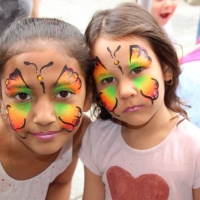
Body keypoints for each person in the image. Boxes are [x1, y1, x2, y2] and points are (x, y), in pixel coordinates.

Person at [79, 2, 200, 200]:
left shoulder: (194, 149)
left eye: (136, 70)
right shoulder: (97, 138)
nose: (125, 91)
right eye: (108, 80)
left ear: (167, 68)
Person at [0, 17, 91, 199]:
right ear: (1, 100)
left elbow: (60, 182)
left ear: (88, 98)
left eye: (63, 94)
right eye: (23, 96)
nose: (44, 117)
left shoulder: (77, 134)